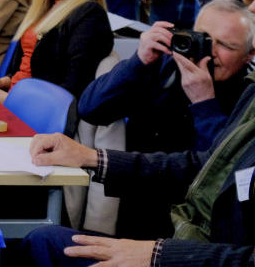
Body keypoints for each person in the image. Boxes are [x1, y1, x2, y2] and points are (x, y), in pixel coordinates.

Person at [22, 76, 255, 266]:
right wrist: (92, 157)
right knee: (43, 242)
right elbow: (205, 165)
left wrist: (160, 255)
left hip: (194, 254)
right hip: (188, 243)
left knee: (46, 243)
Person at [78, 0, 255, 240]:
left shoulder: (248, 96)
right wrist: (139, 61)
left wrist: (204, 103)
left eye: (225, 45)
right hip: (136, 206)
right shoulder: (165, 66)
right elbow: (91, 109)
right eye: (202, 36)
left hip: (192, 227)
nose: (209, 52)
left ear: (250, 54)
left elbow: (224, 171)